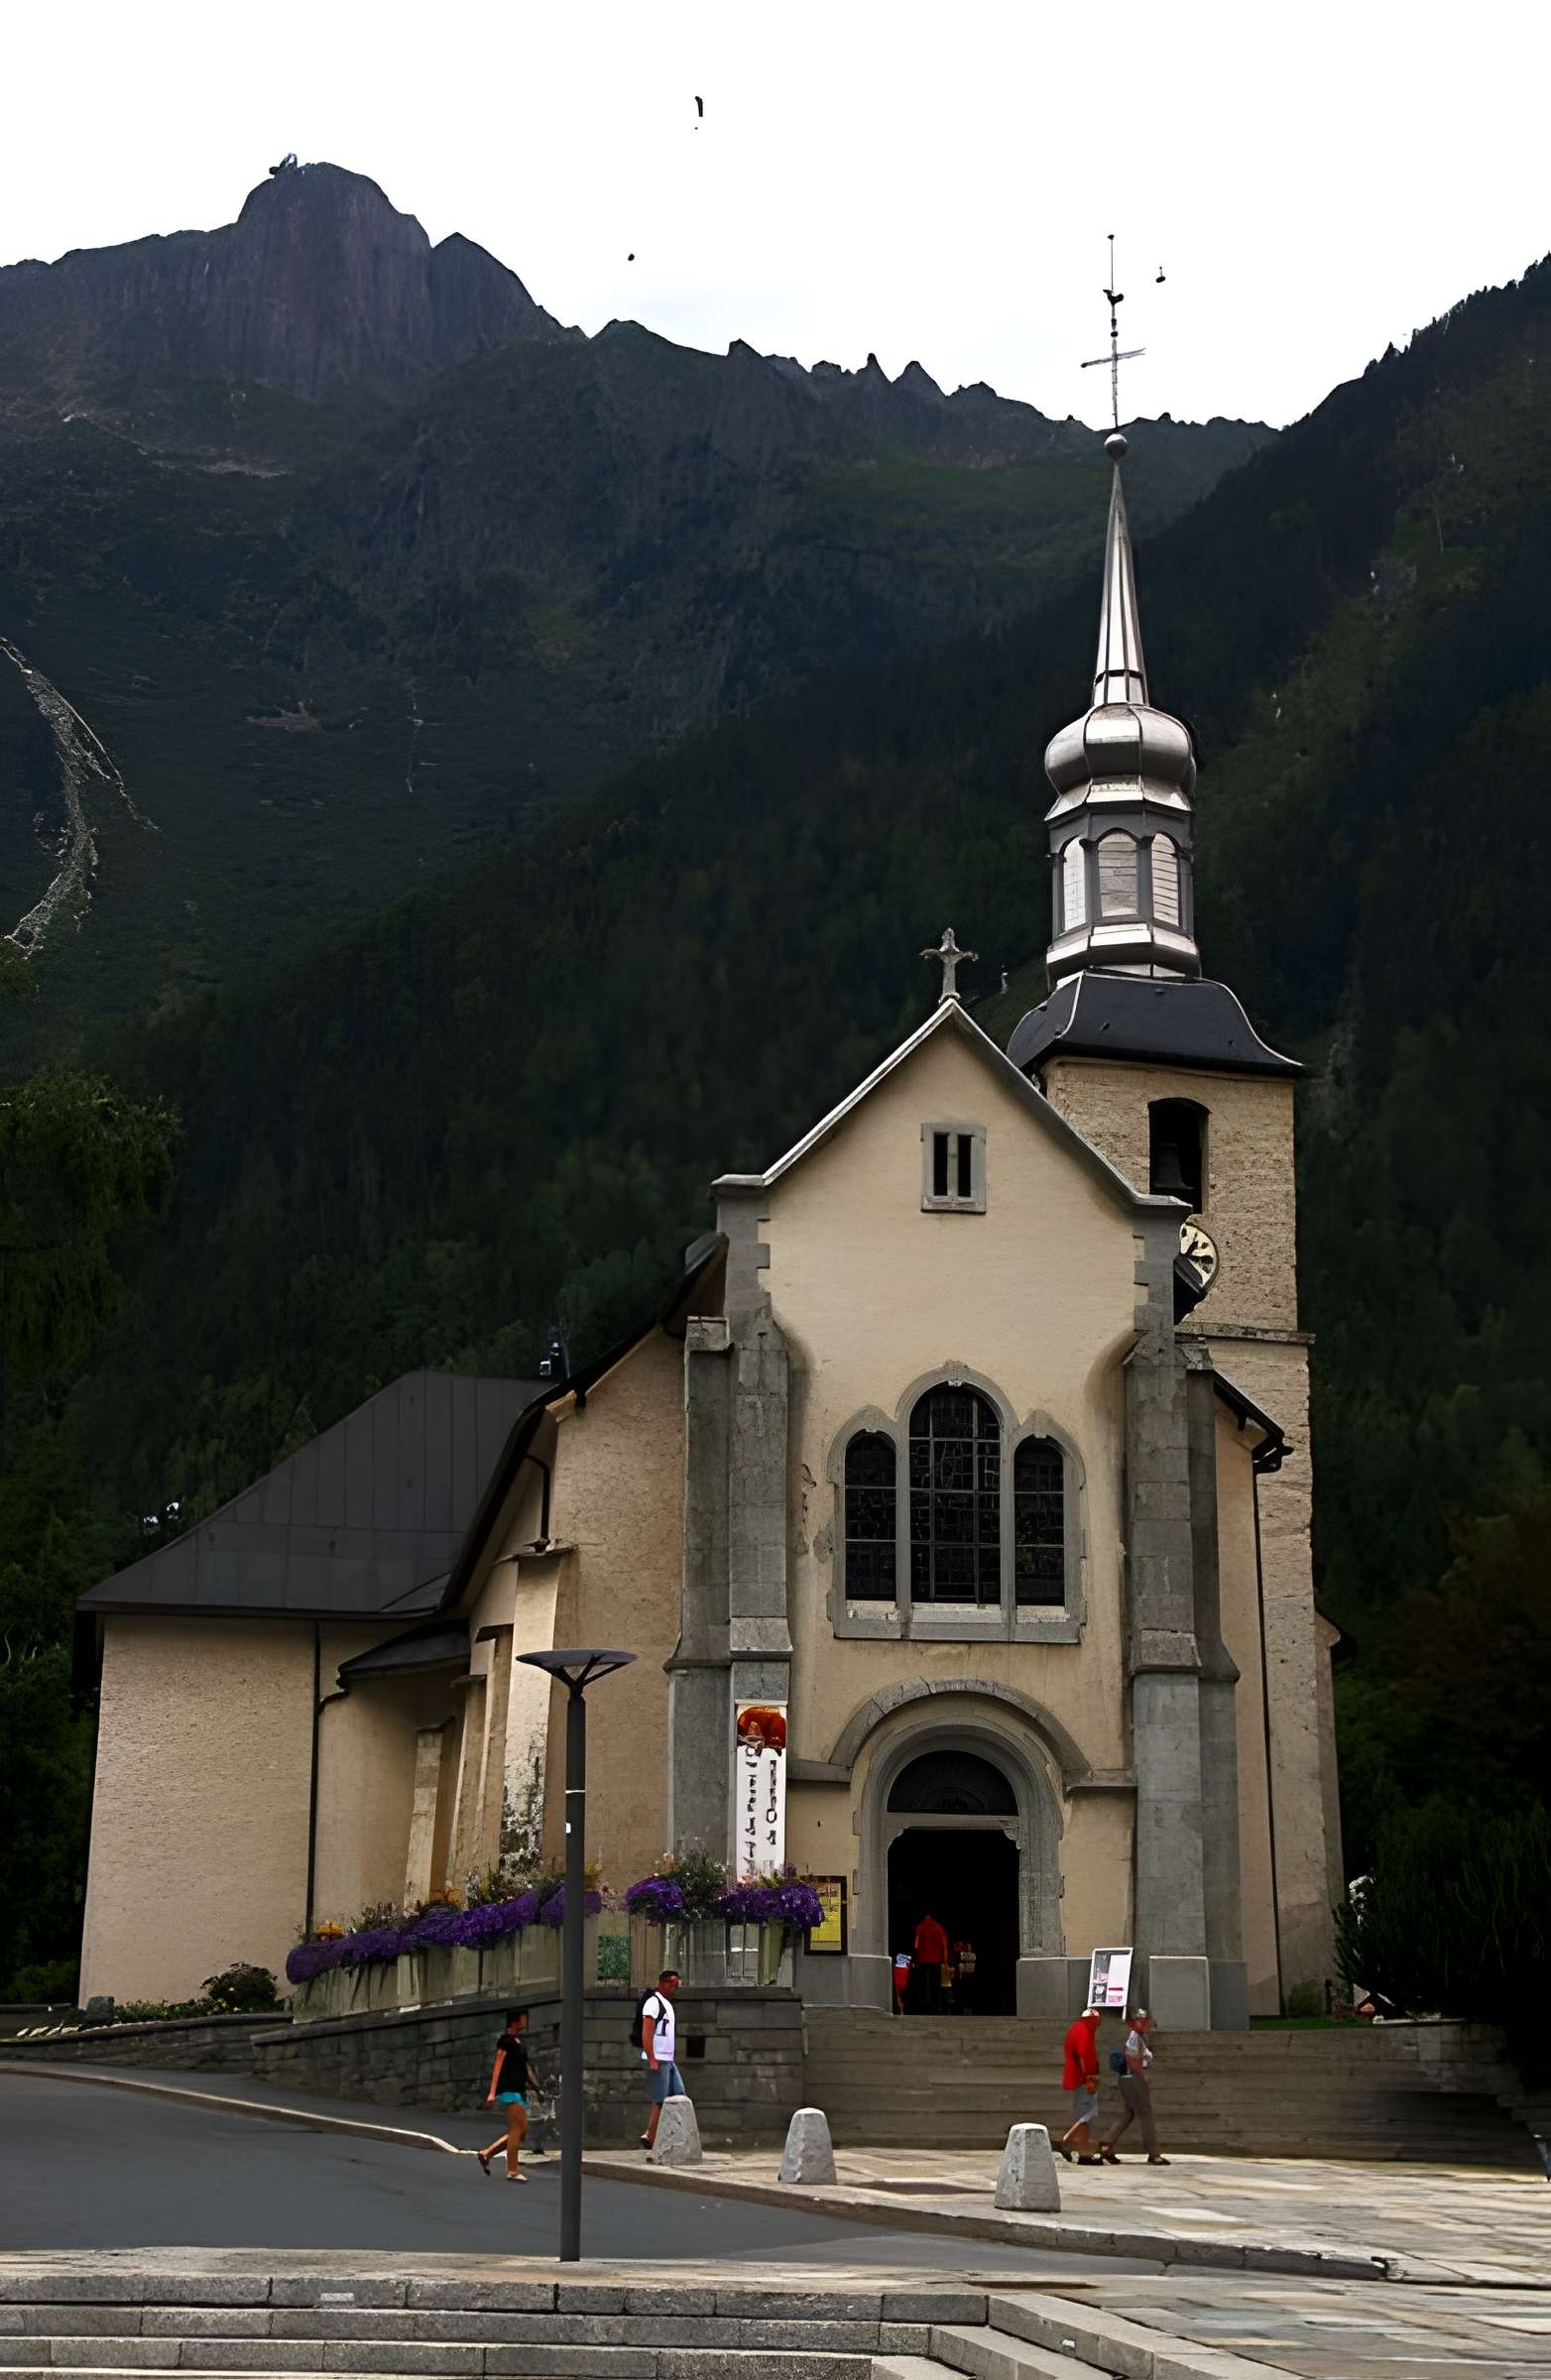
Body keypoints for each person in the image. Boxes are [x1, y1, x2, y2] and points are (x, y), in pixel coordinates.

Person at [1100, 2006, 1169, 2165]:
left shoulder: (1139, 2036)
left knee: (1128, 2114)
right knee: (1146, 2114)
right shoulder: (1133, 2036)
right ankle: (1154, 2153)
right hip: (1133, 2078)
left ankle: (1106, 2145)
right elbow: (1133, 2059)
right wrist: (1142, 2080)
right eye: (1142, 2021)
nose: (1145, 2024)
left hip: (1129, 2078)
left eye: (1146, 2021)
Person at [477, 2009, 537, 2184]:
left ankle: (486, 2153)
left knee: (522, 2132)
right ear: (515, 2020)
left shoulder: (519, 2042)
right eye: (524, 2017)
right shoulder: (505, 2041)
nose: (526, 2020)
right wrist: (492, 2091)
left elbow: (525, 2067)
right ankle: (512, 2171)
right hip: (509, 2089)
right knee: (516, 2131)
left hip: (519, 2090)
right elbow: (498, 2065)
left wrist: (535, 2085)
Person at [640, 1967, 683, 2151]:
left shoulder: (666, 2004)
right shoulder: (653, 2003)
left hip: (667, 2059)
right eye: (672, 1985)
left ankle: (672, 2135)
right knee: (659, 2099)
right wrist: (652, 2058)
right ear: (662, 1983)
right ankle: (650, 2136)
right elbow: (647, 2032)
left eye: (676, 1986)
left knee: (679, 2094)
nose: (674, 1989)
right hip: (658, 2058)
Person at [1057, 2005, 1102, 2162]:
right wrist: (1089, 2078)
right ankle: (1066, 2140)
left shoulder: (1076, 2028)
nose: (1097, 2024)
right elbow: (1083, 2055)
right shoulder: (1084, 2031)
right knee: (1089, 2112)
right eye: (1096, 2021)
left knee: (1084, 2114)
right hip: (1083, 2078)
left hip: (1077, 2078)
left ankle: (1084, 2155)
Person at [913, 1910, 949, 2013]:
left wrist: (916, 1957)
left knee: (923, 1983)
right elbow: (945, 1944)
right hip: (936, 1960)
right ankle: (936, 2005)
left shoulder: (920, 1926)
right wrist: (945, 1959)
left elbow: (916, 1945)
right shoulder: (939, 1927)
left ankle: (923, 2005)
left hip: (922, 1959)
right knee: (936, 1983)